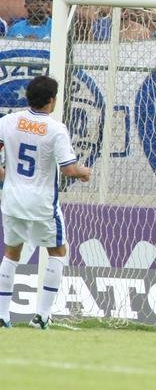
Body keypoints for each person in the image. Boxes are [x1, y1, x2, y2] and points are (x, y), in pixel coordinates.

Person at [0, 76, 92, 329]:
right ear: (52, 100)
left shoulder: (7, 122)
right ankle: (41, 315)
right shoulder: (56, 129)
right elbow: (69, 170)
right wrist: (84, 172)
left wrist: (8, 177)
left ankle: (2, 314)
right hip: (42, 204)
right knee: (58, 252)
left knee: (11, 253)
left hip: (12, 200)